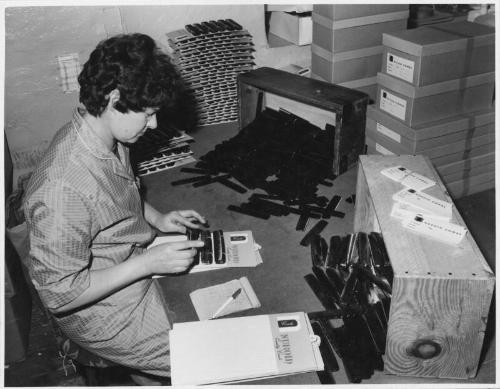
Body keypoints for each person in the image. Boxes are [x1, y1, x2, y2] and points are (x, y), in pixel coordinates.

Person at [22, 33, 205, 383]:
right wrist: (148, 262)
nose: (153, 124)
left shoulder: (103, 135)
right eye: (148, 114)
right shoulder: (62, 188)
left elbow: (117, 191)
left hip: (124, 263)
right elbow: (60, 294)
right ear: (113, 98)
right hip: (99, 310)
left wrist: (157, 218)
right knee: (206, 353)